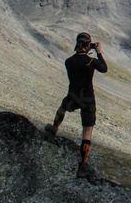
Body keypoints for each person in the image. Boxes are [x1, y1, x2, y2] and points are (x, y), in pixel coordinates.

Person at [45, 32, 107, 178]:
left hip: (74, 95)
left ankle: (53, 130)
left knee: (63, 108)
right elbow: (104, 68)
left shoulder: (69, 61)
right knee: (87, 131)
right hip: (88, 99)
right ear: (88, 45)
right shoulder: (90, 61)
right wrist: (99, 53)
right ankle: (82, 165)